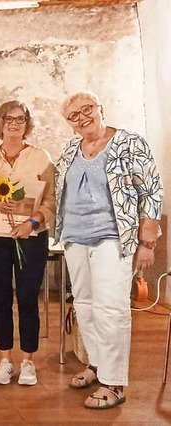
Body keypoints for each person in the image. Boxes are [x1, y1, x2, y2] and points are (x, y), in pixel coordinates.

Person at [55, 91, 163, 409]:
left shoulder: (130, 143)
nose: (82, 117)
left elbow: (152, 191)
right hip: (75, 238)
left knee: (111, 309)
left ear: (100, 108)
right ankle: (97, 365)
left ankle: (115, 383)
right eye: (73, 115)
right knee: (86, 305)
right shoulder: (69, 149)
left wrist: (148, 242)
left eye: (86, 109)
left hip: (113, 239)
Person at [0, 100, 55, 385]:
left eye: (20, 119)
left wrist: (32, 223)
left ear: (27, 124)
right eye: (8, 118)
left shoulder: (41, 157)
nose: (14, 123)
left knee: (27, 298)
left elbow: (50, 201)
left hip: (31, 237)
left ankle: (28, 361)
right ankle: (5, 360)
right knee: (0, 299)